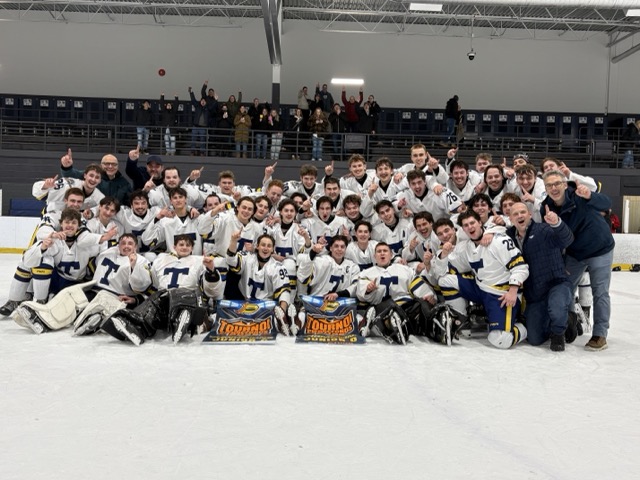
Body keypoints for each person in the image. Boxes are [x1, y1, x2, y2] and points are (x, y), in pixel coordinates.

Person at [540, 170, 615, 351]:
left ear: (565, 184)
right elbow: (554, 237)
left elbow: (607, 203)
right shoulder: (546, 207)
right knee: (564, 288)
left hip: (600, 249)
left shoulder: (579, 195)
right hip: (575, 253)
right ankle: (569, 321)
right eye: (549, 185)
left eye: (557, 183)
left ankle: (600, 334)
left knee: (600, 292)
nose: (554, 188)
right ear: (545, 188)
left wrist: (590, 195)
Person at [439, 210, 529, 350]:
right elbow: (450, 266)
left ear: (480, 223)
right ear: (463, 230)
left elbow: (521, 267)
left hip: (501, 294)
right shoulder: (466, 247)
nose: (470, 227)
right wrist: (443, 254)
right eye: (466, 225)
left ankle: (524, 325)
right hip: (480, 288)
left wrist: (513, 291)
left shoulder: (499, 241)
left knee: (500, 340)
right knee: (445, 281)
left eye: (472, 223)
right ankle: (461, 320)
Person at [507, 202, 575, 351]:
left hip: (556, 283)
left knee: (556, 307)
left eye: (523, 212)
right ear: (510, 218)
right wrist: (489, 232)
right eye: (515, 214)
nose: (520, 216)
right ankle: (563, 320)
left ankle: (558, 333)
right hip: (535, 293)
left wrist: (557, 223)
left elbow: (567, 239)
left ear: (530, 214)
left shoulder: (543, 229)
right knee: (534, 339)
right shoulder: (508, 237)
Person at [355, 242, 437, 345]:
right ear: (374, 256)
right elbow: (361, 294)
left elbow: (417, 285)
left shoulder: (405, 270)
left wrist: (429, 296)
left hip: (407, 306)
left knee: (422, 304)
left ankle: (437, 326)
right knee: (389, 307)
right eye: (379, 251)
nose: (382, 253)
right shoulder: (366, 273)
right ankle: (392, 326)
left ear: (391, 255)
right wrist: (368, 289)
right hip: (383, 307)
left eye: (385, 251)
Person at [226, 232, 295, 335]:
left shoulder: (278, 267)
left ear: (273, 249)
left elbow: (284, 291)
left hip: (266, 307)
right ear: (257, 246)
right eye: (263, 245)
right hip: (243, 303)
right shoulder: (247, 257)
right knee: (230, 273)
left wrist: (282, 312)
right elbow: (231, 260)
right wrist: (233, 241)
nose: (266, 248)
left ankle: (282, 320)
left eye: (269, 246)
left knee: (283, 295)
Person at [59, 148, 132, 207]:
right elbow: (71, 175)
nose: (110, 166)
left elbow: (129, 202)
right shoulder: (93, 175)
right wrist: (66, 167)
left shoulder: (124, 183)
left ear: (118, 166)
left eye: (114, 164)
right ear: (101, 165)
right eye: (107, 164)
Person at [188, 86, 210, 156]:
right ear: (200, 102)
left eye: (204, 101)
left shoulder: (208, 109)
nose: (203, 102)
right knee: (193, 139)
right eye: (202, 101)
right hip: (195, 126)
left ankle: (202, 152)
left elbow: (213, 106)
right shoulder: (197, 106)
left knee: (202, 140)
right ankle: (192, 151)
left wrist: (216, 100)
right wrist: (191, 92)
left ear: (206, 102)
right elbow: (193, 100)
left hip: (203, 127)